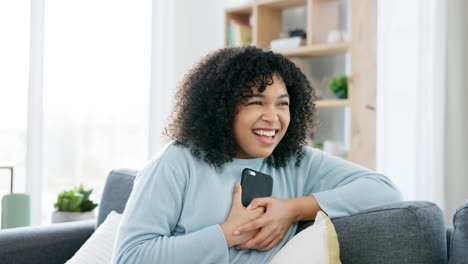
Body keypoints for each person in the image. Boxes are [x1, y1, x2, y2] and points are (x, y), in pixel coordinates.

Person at [112, 46, 402, 264]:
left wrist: (293, 209)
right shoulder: (178, 161)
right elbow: (130, 257)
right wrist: (228, 233)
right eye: (256, 102)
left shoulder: (295, 160)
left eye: (283, 104)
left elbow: (385, 192)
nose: (273, 117)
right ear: (222, 108)